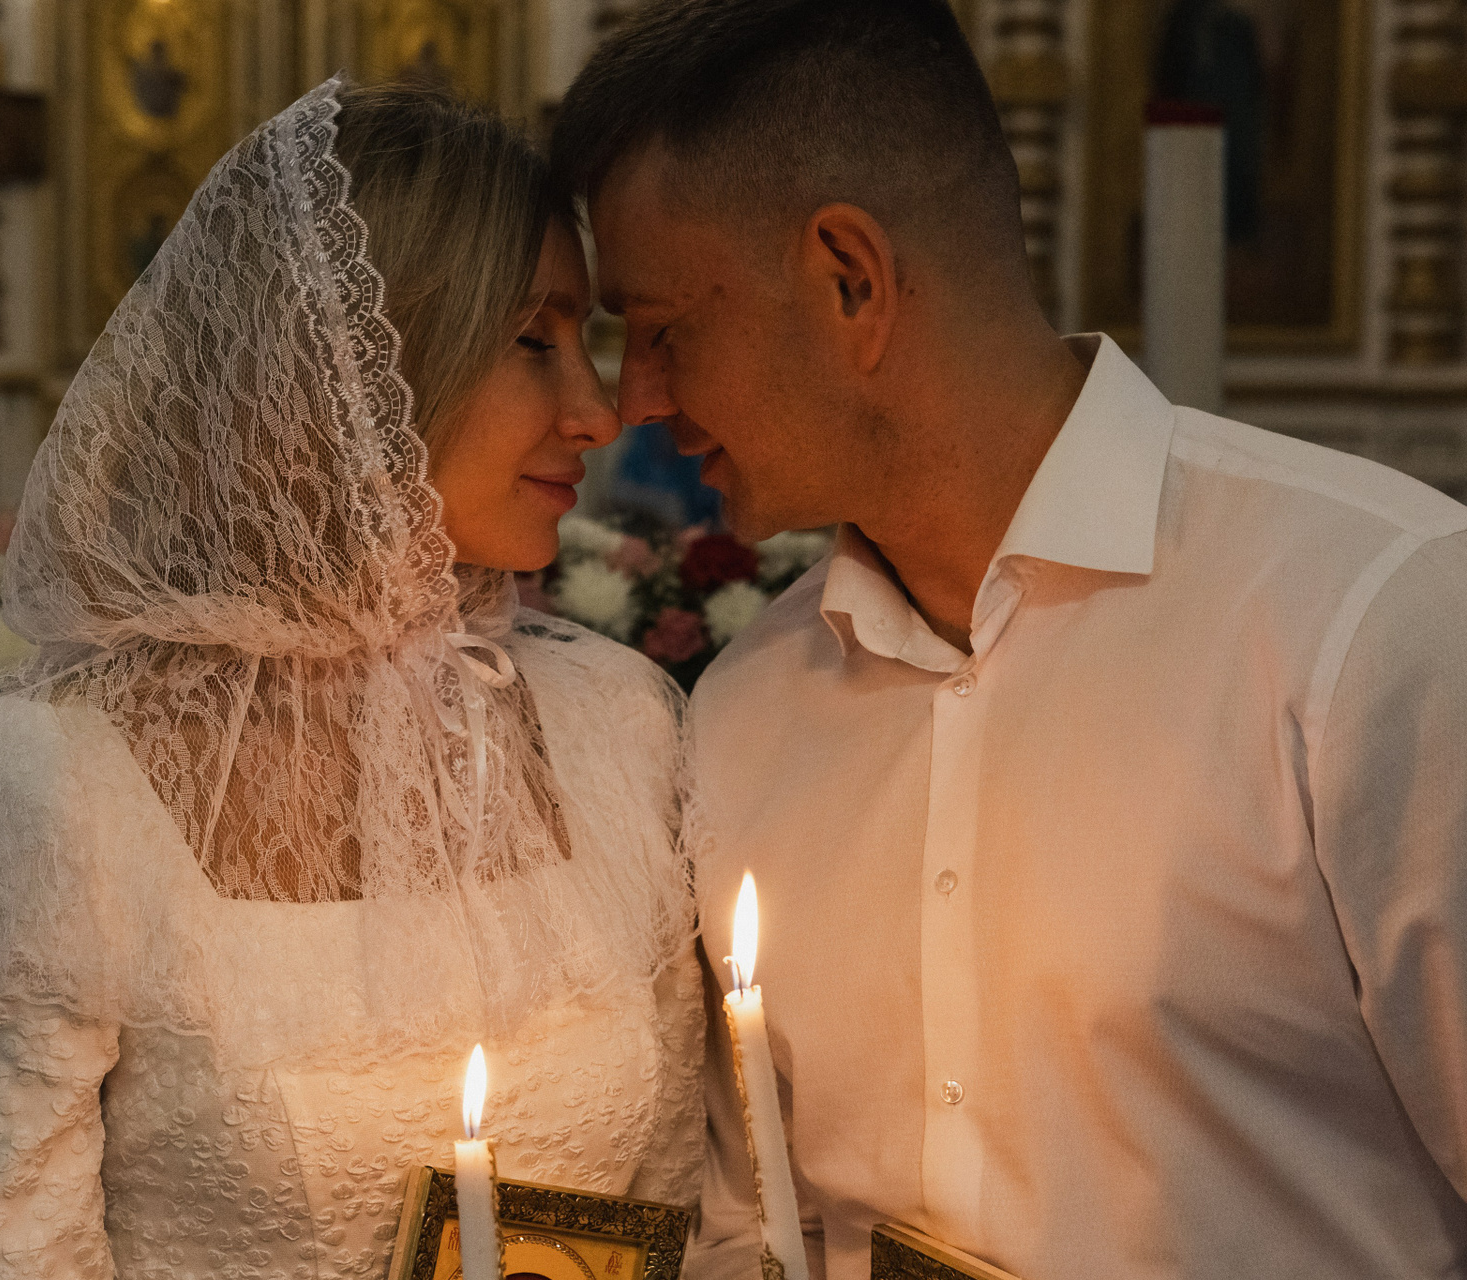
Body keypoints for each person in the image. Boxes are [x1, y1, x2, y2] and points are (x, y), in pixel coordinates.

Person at [551, 0, 1467, 1276]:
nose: (631, 403)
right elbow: (755, 1221)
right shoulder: (745, 710)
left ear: (851, 278)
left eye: (661, 332)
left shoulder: (1373, 618)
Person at [0, 81, 705, 1277]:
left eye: (586, 340)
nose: (597, 411)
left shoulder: (617, 723)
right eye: (535, 340)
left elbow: (680, 1206)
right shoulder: (42, 782)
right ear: (346, 369)